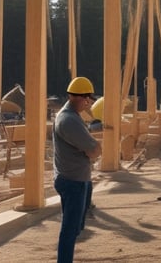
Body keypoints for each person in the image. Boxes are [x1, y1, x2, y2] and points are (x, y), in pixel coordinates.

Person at [53, 76, 102, 263]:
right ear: (79, 97)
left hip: (77, 179)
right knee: (69, 229)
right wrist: (94, 148)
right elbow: (94, 150)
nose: (88, 103)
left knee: (75, 227)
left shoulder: (71, 117)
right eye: (87, 99)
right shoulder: (69, 120)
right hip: (73, 181)